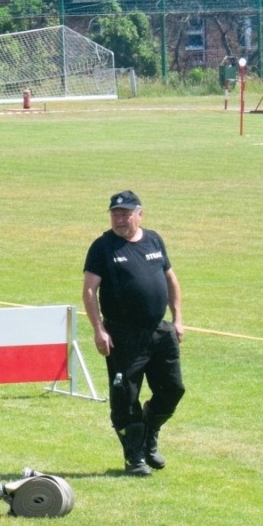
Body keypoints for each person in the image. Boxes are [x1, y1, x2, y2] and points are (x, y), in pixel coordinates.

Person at [82, 190, 185, 476]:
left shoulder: (154, 240)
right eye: (115, 214)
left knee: (173, 389)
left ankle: (149, 433)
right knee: (125, 398)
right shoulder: (103, 247)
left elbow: (171, 280)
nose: (119, 219)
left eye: (125, 214)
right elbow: (89, 291)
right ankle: (135, 457)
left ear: (139, 214)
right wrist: (98, 329)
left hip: (159, 331)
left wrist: (177, 319)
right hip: (123, 335)